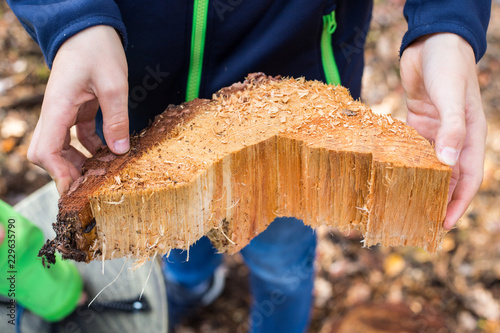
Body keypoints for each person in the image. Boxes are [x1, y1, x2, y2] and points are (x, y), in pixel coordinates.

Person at [6, 1, 491, 332]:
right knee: (179, 236)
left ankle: (277, 318)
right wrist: (74, 18)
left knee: (282, 257)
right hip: (150, 117)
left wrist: (445, 21)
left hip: (297, 112)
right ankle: (192, 287)